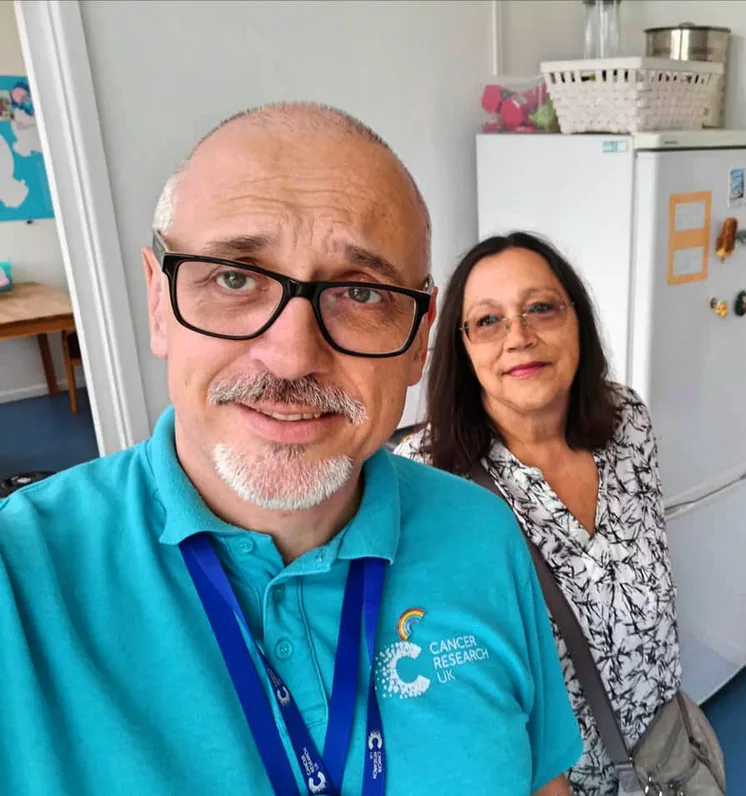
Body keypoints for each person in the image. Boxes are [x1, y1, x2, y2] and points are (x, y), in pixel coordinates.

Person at [0, 105, 581, 796]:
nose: (292, 356)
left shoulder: (482, 532)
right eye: (235, 278)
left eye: (360, 292)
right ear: (159, 300)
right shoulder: (23, 576)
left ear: (420, 339)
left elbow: (542, 779)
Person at [394, 232, 681, 796]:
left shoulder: (627, 421)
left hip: (663, 754)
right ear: (462, 348)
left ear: (577, 321)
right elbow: (446, 688)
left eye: (541, 308)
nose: (519, 337)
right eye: (488, 321)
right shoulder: (424, 479)